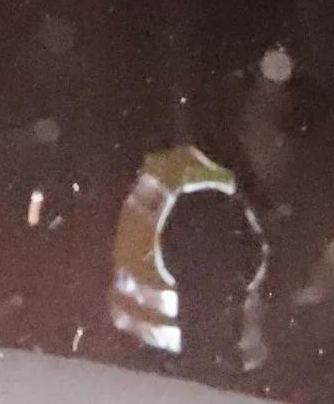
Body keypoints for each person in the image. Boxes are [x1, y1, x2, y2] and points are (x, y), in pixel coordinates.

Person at [108, 140, 270, 377]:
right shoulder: (211, 204)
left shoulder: (168, 173)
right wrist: (213, 372)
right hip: (189, 375)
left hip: (137, 354)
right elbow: (207, 305)